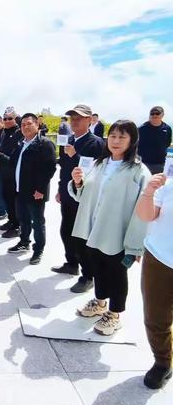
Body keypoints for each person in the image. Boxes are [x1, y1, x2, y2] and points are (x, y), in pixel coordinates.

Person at [70, 120, 150, 336]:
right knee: (98, 268)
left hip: (118, 233)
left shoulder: (139, 171)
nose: (116, 141)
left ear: (132, 140)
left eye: (122, 137)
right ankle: (99, 302)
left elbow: (142, 212)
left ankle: (114, 314)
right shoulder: (100, 164)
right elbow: (86, 195)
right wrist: (78, 183)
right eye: (113, 136)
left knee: (117, 273)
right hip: (94, 230)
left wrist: (135, 246)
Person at [51, 105, 105, 293]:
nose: (74, 121)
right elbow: (65, 170)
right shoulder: (70, 140)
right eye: (72, 118)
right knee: (66, 231)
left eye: (79, 118)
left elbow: (90, 171)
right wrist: (60, 189)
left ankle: (88, 276)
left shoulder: (96, 143)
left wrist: (75, 156)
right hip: (67, 195)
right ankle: (71, 264)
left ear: (90, 120)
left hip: (83, 199)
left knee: (81, 238)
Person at [0, 113, 56, 265]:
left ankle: (38, 250)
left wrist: (40, 190)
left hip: (35, 192)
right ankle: (24, 242)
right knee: (24, 220)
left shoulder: (44, 144)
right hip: (20, 190)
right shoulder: (21, 144)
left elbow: (49, 169)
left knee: (37, 222)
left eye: (29, 124)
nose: (26, 127)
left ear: (37, 125)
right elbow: (12, 163)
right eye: (23, 125)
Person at [136, 173, 173, 389]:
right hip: (159, 258)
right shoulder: (167, 183)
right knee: (155, 316)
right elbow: (146, 215)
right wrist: (149, 192)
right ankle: (162, 361)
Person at [0, 107, 22, 237]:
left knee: (13, 199)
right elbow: (2, 149)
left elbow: (14, 156)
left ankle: (18, 225)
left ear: (15, 119)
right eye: (5, 118)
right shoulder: (4, 132)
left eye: (10, 118)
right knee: (6, 197)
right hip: (3, 169)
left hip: (13, 171)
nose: (7, 121)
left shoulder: (19, 132)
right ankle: (11, 220)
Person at [138, 106, 172, 174]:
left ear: (162, 115)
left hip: (160, 164)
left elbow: (167, 143)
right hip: (143, 163)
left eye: (157, 113)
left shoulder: (167, 128)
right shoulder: (141, 129)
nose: (154, 115)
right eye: (152, 114)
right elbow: (135, 144)